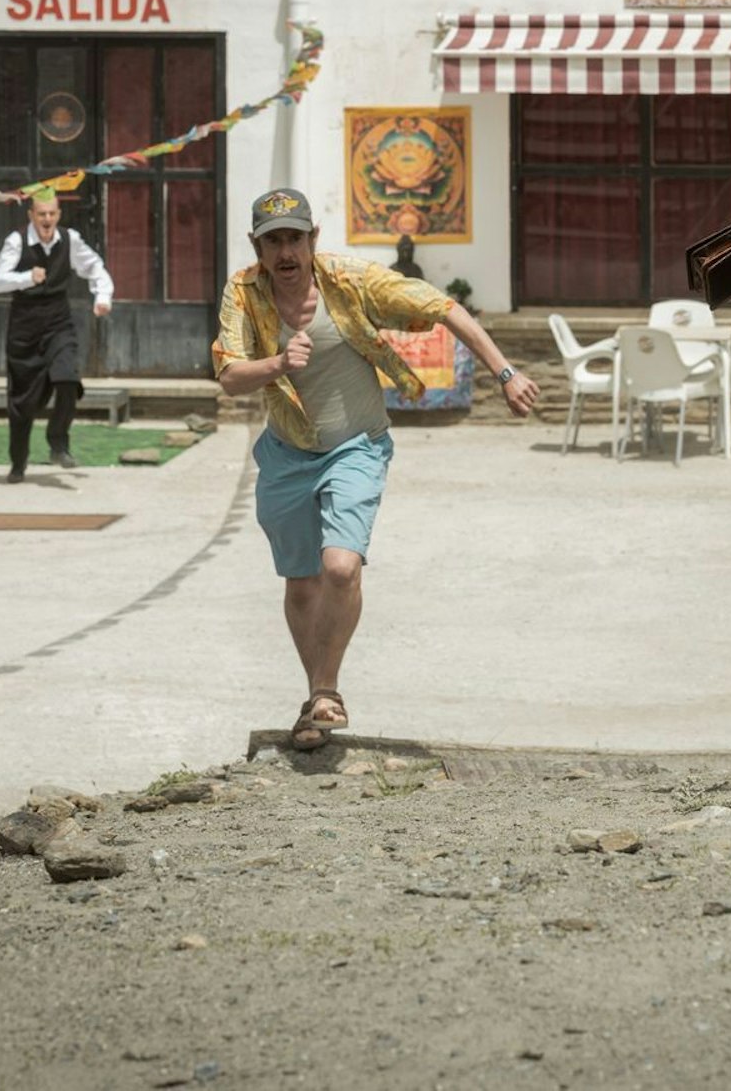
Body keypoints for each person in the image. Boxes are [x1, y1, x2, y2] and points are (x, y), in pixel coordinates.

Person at [213, 187, 540, 752]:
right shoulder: (242, 293)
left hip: (356, 446)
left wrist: (505, 372)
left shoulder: (350, 280)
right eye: (273, 242)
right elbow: (229, 375)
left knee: (340, 568)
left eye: (295, 237)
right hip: (288, 453)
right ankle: (314, 695)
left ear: (313, 240)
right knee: (301, 581)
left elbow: (444, 307)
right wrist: (276, 363)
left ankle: (327, 690)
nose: (285, 252)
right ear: (257, 248)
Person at [0, 194, 113, 483]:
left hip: (58, 320)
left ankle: (58, 442)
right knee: (22, 402)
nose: (46, 220)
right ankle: (18, 463)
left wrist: (102, 296)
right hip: (24, 326)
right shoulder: (16, 241)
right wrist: (26, 278)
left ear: (58, 214)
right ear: (31, 215)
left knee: (68, 378)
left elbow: (94, 267)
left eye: (52, 214)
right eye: (41, 214)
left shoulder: (70, 239)